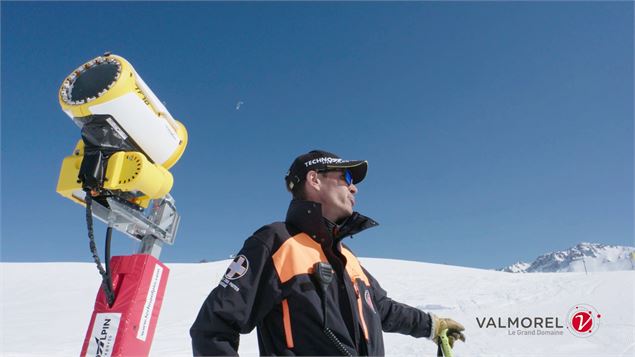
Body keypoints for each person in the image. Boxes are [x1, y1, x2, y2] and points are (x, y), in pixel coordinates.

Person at [190, 150, 466, 356]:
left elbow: (382, 309)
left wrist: (432, 325)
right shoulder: (276, 243)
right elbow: (213, 329)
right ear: (315, 180)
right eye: (346, 177)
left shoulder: (348, 259)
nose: (354, 187)